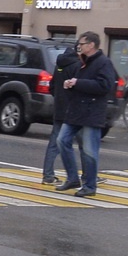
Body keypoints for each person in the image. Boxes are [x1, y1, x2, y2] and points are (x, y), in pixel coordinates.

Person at [61, 31, 117, 197]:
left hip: (92, 113)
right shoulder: (84, 62)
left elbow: (105, 86)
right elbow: (82, 84)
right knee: (62, 140)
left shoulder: (103, 62)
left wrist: (78, 82)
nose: (79, 46)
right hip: (77, 111)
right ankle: (72, 178)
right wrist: (70, 84)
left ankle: (90, 186)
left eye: (82, 44)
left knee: (90, 151)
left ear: (91, 45)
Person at [42, 41, 82, 186]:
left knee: (54, 143)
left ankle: (48, 175)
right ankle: (88, 176)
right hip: (74, 111)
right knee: (85, 144)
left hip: (59, 109)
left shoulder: (60, 64)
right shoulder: (78, 65)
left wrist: (60, 99)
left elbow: (52, 87)